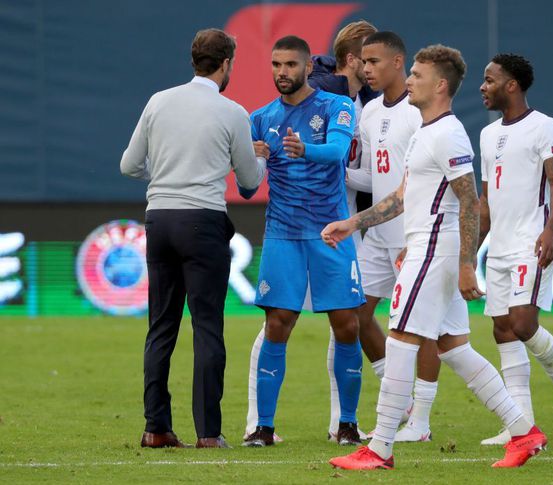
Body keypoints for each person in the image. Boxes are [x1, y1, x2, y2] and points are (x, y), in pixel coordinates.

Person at [323, 44, 547, 470]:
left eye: (418, 76)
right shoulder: (425, 131)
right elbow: (404, 196)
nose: (409, 80)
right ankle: (524, 432)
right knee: (453, 347)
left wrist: (465, 262)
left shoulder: (447, 133)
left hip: (434, 250)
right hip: (428, 247)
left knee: (401, 339)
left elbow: (469, 200)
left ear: (440, 85)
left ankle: (380, 448)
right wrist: (353, 224)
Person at [120, 28, 266, 449]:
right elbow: (251, 182)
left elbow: (130, 165)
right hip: (203, 220)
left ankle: (156, 428)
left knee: (160, 326)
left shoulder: (158, 102)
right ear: (225, 65)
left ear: (193, 61)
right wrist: (259, 155)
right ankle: (207, 433)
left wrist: (167, 174)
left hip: (160, 218)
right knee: (207, 327)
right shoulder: (232, 111)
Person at [243, 21, 379, 444]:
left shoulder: (336, 106)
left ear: (306, 66)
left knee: (347, 325)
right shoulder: (260, 118)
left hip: (330, 233)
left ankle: (347, 424)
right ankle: (263, 427)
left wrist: (305, 149)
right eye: (276, 64)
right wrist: (256, 159)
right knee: (278, 323)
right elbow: (248, 187)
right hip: (283, 234)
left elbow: (338, 152)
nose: (282, 71)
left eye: (290, 64)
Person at [478, 53, 553, 445]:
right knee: (502, 330)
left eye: (489, 80)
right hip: (500, 247)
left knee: (523, 324)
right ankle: (521, 425)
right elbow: (485, 201)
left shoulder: (546, 126)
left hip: (530, 241)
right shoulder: (488, 134)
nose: (482, 87)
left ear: (512, 85)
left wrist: (551, 230)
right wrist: (470, 250)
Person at [345, 31, 442, 442]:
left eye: (374, 61)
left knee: (421, 330)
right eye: (363, 62)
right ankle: (399, 402)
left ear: (399, 62)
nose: (367, 69)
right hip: (377, 236)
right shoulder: (368, 114)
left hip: (413, 237)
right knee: (355, 317)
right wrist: (333, 172)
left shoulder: (418, 112)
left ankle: (419, 420)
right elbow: (373, 177)